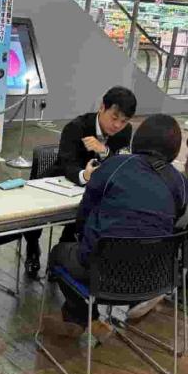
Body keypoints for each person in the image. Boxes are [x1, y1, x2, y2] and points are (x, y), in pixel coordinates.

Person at [46, 114, 187, 340]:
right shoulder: (179, 182)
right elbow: (172, 220)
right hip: (154, 276)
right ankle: (108, 314)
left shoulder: (115, 166)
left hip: (103, 271)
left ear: (139, 139)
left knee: (58, 253)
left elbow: (84, 216)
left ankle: (83, 317)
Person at [23, 86, 136, 278]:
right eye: (114, 118)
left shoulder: (125, 132)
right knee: (35, 213)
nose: (117, 125)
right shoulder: (76, 127)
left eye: (124, 121)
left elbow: (121, 163)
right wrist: (84, 175)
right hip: (61, 180)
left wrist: (104, 151)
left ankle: (61, 255)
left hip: (93, 190)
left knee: (87, 212)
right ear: (102, 107)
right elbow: (67, 163)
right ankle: (32, 248)